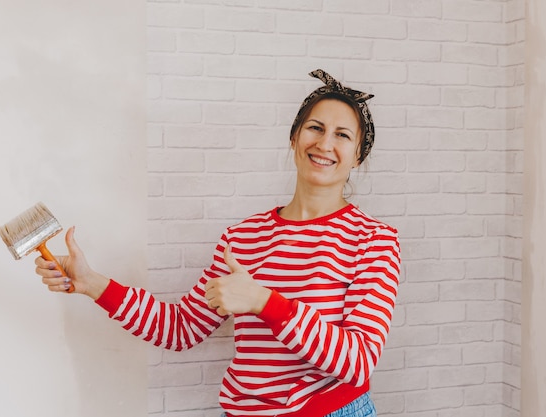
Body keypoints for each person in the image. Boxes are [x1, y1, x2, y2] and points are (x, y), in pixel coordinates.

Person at [35, 69, 401, 417]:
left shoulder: (373, 240)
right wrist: (92, 283)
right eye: (315, 128)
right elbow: (180, 328)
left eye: (342, 135)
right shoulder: (242, 239)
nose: (324, 143)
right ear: (294, 138)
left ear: (358, 156)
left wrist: (263, 301)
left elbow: (357, 362)